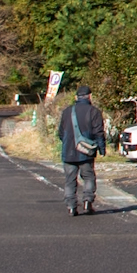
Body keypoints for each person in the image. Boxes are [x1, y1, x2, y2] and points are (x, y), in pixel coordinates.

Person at [58, 85, 107, 216]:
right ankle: (87, 201)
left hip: (68, 151)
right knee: (88, 177)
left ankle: (71, 206)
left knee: (70, 180)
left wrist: (68, 143)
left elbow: (61, 133)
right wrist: (102, 149)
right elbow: (98, 132)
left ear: (76, 97)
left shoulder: (67, 111)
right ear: (90, 96)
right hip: (86, 152)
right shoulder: (94, 111)